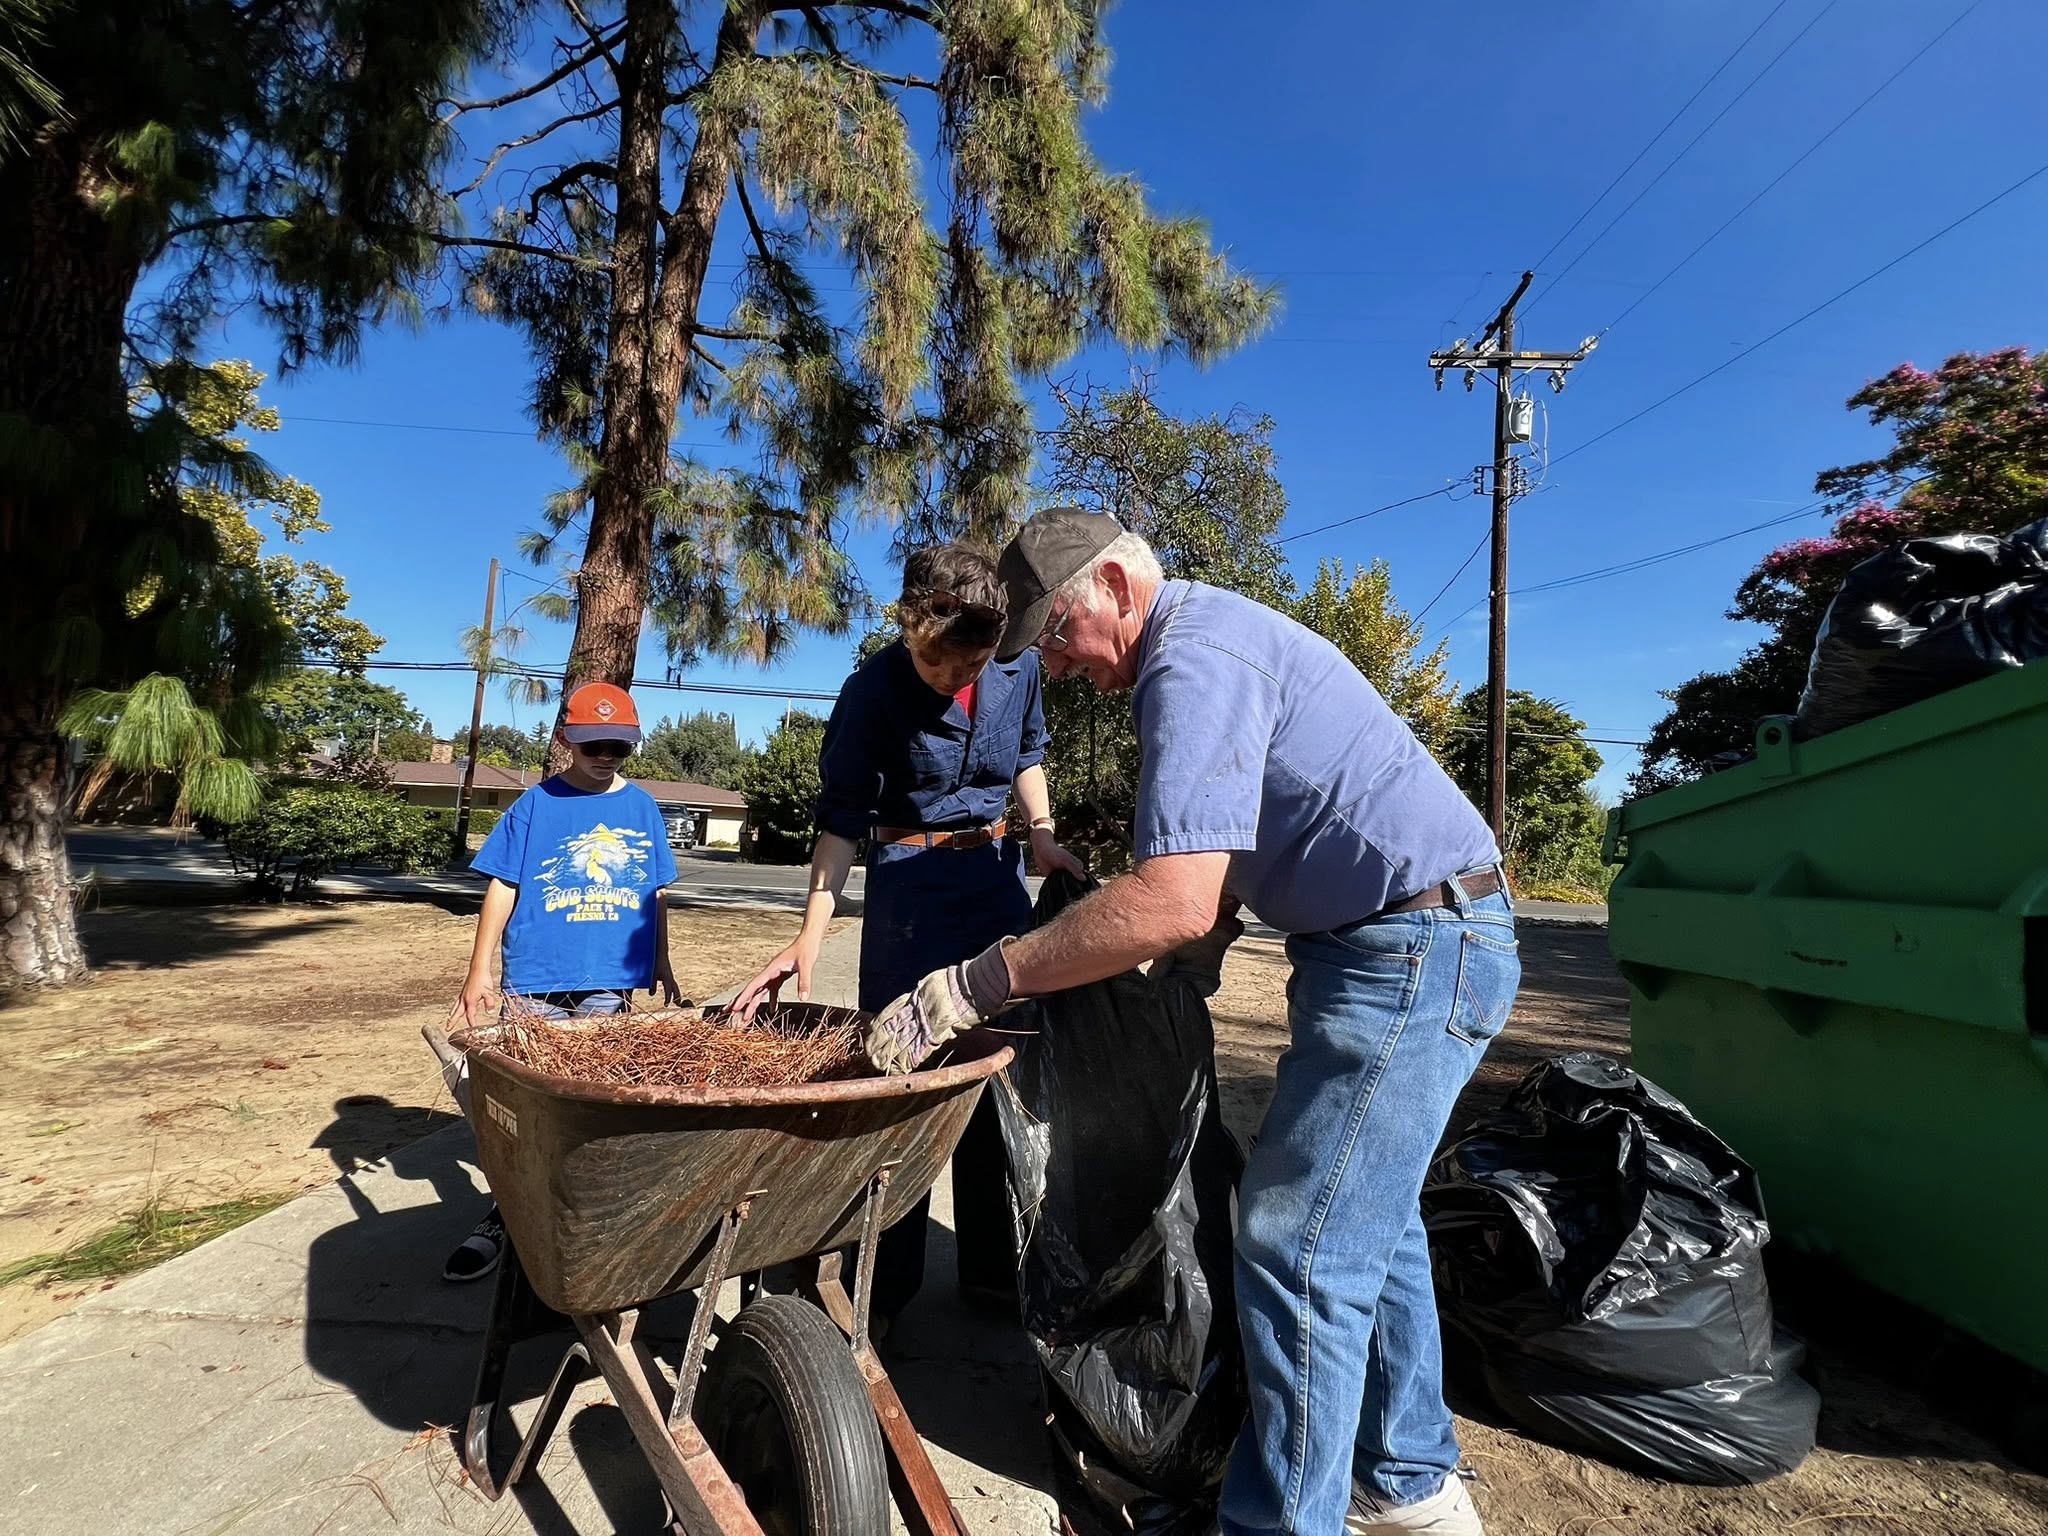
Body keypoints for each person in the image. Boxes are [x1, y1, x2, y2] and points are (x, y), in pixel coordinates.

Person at [860, 509, 1518, 1536]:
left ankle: (1275, 1522)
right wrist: (1185, 957)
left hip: (1414, 951)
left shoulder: (1193, 660)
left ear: (1117, 589)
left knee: (1297, 1243)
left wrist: (984, 981)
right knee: (1367, 1226)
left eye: (1056, 635)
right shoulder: (1208, 643)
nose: (1057, 668)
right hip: (1391, 945)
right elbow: (1223, 868)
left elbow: (1168, 897)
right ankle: (1405, 1481)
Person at [730, 543, 1084, 1323]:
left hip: (995, 884)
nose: (953, 678)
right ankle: (883, 1289)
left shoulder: (1020, 667)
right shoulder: (872, 691)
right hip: (909, 896)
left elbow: (1028, 756)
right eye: (936, 665)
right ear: (909, 630)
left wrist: (1043, 832)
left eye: (971, 666)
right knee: (902, 1074)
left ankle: (994, 1278)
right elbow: (840, 823)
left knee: (1000, 1073)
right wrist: (810, 934)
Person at [440, 681, 680, 1282]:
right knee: (525, 1108)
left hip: (609, 980)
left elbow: (655, 893)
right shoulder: (535, 805)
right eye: (593, 744)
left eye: (619, 746)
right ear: (567, 740)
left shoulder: (642, 808)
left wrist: (661, 960)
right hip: (535, 980)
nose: (605, 756)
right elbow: (503, 885)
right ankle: (508, 1211)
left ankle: (585, 1215)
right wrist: (478, 969)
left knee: (591, 1106)